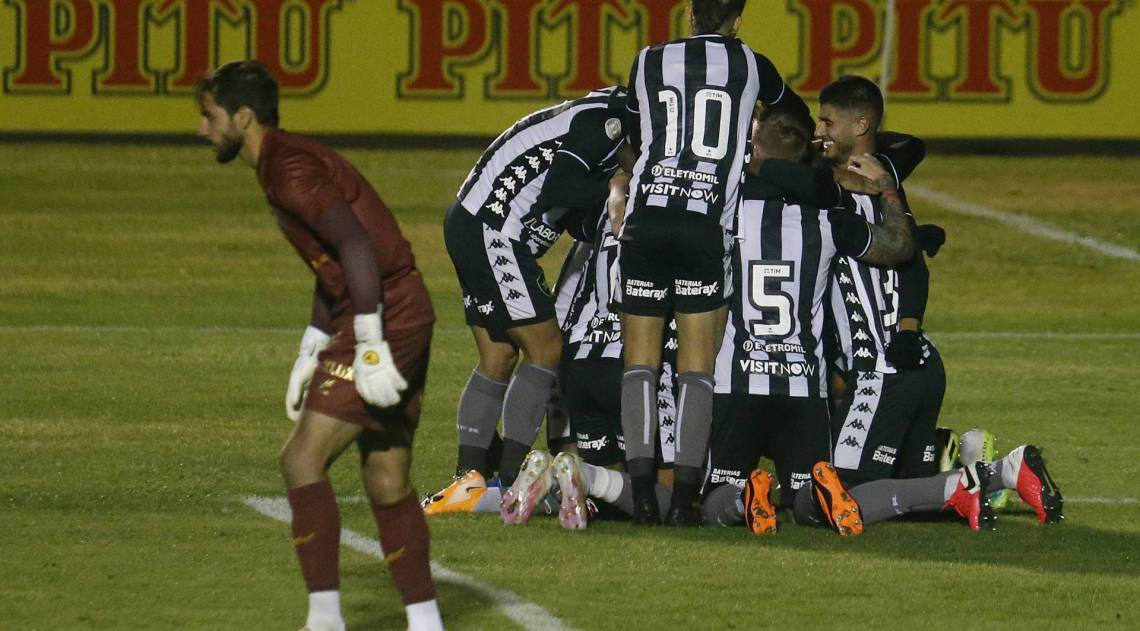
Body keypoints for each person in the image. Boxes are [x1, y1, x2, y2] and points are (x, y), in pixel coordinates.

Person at [195, 60, 442, 631]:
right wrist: (312, 343)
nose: (202, 130)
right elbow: (331, 258)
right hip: (389, 308)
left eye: (210, 117)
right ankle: (427, 622)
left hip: (385, 313)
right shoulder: (283, 161)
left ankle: (325, 620)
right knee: (386, 478)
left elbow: (357, 248)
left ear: (243, 116)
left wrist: (370, 343)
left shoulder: (288, 169)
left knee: (301, 459)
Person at [618, 0, 808, 526]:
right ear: (738, 21)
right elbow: (794, 116)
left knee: (640, 362)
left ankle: (639, 496)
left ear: (688, 15)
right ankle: (682, 499)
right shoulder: (752, 65)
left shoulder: (647, 60)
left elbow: (632, 134)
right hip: (705, 226)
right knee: (696, 369)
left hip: (648, 217)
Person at [700, 102, 920, 533]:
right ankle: (812, 494)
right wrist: (888, 189)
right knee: (807, 502)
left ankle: (745, 497)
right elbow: (899, 247)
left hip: (738, 383)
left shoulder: (726, 209)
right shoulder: (828, 218)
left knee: (711, 503)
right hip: (803, 389)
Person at [433, 87, 630, 517]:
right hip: (495, 231)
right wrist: (617, 184)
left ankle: (469, 478)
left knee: (498, 357)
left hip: (474, 222)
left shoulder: (597, 115)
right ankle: (509, 479)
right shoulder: (606, 123)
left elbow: (566, 207)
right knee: (546, 349)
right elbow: (564, 184)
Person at [812, 75, 945, 486]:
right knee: (910, 483)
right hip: (911, 366)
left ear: (860, 126)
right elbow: (909, 146)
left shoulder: (862, 183)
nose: (819, 132)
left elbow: (912, 263)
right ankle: (969, 460)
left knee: (841, 491)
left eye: (827, 122)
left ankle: (997, 468)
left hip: (883, 369)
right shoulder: (876, 175)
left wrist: (908, 327)